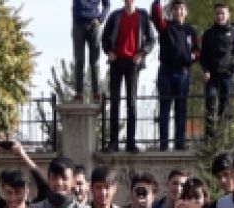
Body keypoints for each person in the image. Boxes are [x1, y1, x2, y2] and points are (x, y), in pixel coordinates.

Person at [101, 0, 157, 154]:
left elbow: (152, 39)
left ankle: (131, 142)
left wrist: (142, 53)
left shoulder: (143, 16)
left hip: (133, 63)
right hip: (116, 62)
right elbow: (104, 37)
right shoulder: (115, 16)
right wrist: (109, 51)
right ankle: (113, 142)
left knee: (131, 102)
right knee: (114, 102)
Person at [151, 0, 200, 151]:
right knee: (164, 109)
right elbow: (156, 16)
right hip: (166, 72)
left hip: (183, 73)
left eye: (181, 9)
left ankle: (180, 143)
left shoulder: (191, 31)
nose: (179, 12)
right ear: (172, 12)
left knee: (181, 109)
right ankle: (164, 144)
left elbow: (197, 51)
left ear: (186, 12)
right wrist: (157, 3)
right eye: (176, 9)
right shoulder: (166, 26)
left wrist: (193, 56)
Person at [201, 4, 234, 140]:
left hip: (227, 76)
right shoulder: (208, 33)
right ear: (214, 15)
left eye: (222, 13)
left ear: (228, 15)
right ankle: (209, 139)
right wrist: (205, 71)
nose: (220, 16)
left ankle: (224, 137)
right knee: (210, 104)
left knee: (226, 106)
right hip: (212, 76)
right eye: (217, 13)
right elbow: (203, 56)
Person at [72, 0, 112, 103]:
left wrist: (101, 19)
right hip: (78, 24)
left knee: (94, 62)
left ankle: (96, 93)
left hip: (94, 25)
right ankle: (78, 94)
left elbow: (107, 4)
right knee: (79, 60)